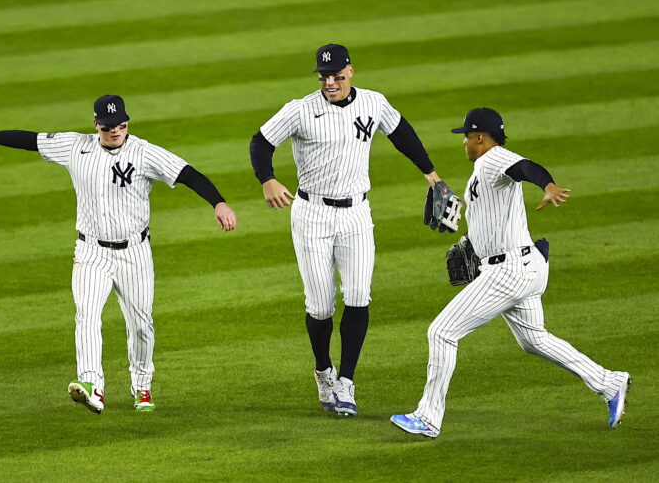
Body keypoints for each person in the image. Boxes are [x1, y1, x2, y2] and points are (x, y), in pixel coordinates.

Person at [0, 95, 237, 414]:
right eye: (109, 126)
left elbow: (188, 174)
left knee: (141, 324)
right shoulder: (75, 146)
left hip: (135, 253)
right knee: (86, 314)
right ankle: (91, 385)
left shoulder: (143, 152)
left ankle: (142, 386)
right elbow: (32, 140)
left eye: (122, 125)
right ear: (95, 123)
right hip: (90, 250)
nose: (116, 131)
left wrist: (219, 203)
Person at [390, 107, 630, 437]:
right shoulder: (482, 172)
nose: (463, 143)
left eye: (466, 137)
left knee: (442, 332)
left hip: (509, 271)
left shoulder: (492, 159)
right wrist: (468, 241)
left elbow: (525, 167)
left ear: (480, 138)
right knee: (534, 340)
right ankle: (609, 382)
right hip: (526, 266)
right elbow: (492, 220)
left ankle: (428, 418)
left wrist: (547, 185)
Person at [249, 44, 453, 416]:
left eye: (336, 76)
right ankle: (323, 370)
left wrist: (431, 172)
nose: (330, 82)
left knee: (359, 296)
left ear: (351, 72)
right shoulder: (300, 110)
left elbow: (401, 132)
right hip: (311, 213)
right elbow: (260, 142)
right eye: (324, 76)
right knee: (321, 305)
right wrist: (268, 180)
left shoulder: (373, 103)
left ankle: (346, 381)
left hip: (357, 213)